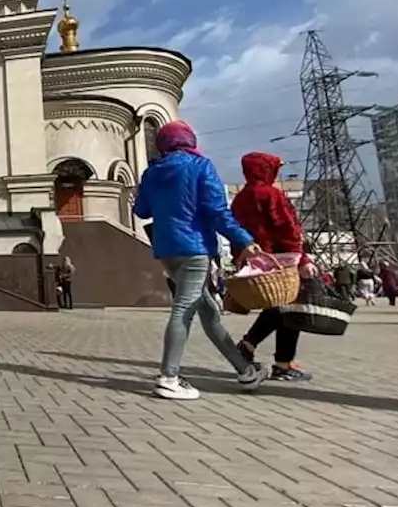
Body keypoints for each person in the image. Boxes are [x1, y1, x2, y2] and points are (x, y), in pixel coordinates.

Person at [133, 120, 266, 400]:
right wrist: (244, 240)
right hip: (194, 249)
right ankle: (169, 377)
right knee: (184, 309)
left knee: (208, 312)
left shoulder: (152, 172)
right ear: (190, 141)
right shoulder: (201, 166)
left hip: (167, 250)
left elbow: (142, 210)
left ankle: (245, 371)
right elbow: (218, 212)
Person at [229, 152, 314, 382]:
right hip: (281, 260)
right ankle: (283, 364)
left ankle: (248, 346)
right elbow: (287, 229)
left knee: (277, 308)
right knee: (291, 309)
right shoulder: (271, 194)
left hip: (256, 262)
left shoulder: (240, 198)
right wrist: (303, 259)